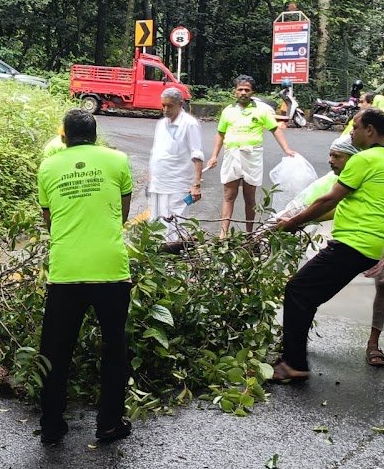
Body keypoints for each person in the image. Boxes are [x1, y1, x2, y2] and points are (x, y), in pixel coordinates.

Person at [270, 134, 384, 368]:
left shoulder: (379, 171)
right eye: (330, 155)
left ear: (353, 158)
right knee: (306, 287)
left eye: (337, 156)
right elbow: (303, 204)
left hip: (380, 235)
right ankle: (296, 346)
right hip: (346, 235)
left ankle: (373, 343)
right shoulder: (335, 178)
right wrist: (268, 230)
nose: (331, 161)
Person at [266, 109, 384, 383]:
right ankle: (293, 356)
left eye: (355, 127)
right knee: (307, 294)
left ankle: (294, 364)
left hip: (353, 243)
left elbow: (328, 200)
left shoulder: (363, 160)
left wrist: (292, 223)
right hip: (368, 246)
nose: (351, 133)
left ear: (371, 130)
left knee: (297, 290)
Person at [36, 109, 134, 446]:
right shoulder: (118, 160)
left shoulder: (48, 167)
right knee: (114, 347)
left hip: (65, 271)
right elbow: (122, 213)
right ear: (95, 136)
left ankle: (51, 425)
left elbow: (49, 220)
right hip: (110, 269)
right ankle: (108, 423)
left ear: (64, 137)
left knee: (55, 351)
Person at [206, 75, 297, 236]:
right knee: (229, 195)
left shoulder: (262, 110)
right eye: (240, 89)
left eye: (246, 90)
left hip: (252, 157)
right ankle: (223, 234)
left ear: (252, 92)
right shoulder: (228, 111)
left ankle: (249, 234)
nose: (243, 93)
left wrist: (287, 149)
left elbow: (275, 129)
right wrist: (214, 156)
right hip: (232, 155)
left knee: (250, 198)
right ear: (235, 92)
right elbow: (220, 134)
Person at [147, 87, 206, 242]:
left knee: (175, 224)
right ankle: (159, 256)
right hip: (158, 183)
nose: (165, 109)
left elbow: (197, 155)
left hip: (178, 184)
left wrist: (196, 184)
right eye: (163, 106)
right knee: (156, 221)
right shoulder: (161, 124)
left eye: (170, 106)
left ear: (180, 104)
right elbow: (156, 152)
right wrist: (151, 175)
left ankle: (174, 259)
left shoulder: (189, 124)